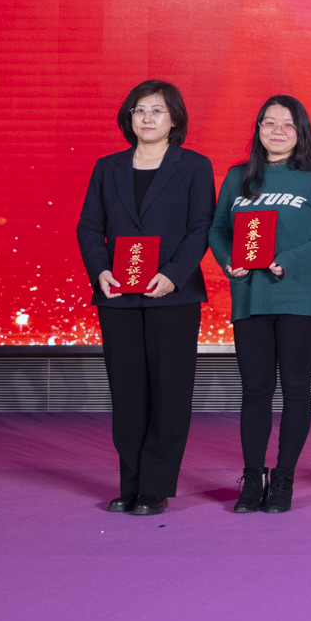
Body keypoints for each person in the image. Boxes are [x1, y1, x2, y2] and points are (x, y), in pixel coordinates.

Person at [75, 81, 215, 517]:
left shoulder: (194, 166)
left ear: (175, 119)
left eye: (157, 110)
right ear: (129, 118)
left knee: (170, 391)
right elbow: (89, 226)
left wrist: (173, 275)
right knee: (127, 393)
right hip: (117, 295)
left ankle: (156, 486)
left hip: (172, 295)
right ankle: (131, 483)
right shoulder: (107, 167)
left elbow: (201, 228)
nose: (148, 118)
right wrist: (101, 271)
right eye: (139, 110)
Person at [207, 95, 311, 514]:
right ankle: (253, 478)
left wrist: (288, 261)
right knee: (255, 391)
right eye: (269, 123)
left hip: (300, 298)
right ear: (258, 129)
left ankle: (284, 478)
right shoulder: (239, 177)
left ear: (301, 131)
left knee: (296, 389)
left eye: (288, 124)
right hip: (251, 297)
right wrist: (227, 260)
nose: (278, 131)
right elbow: (217, 230)